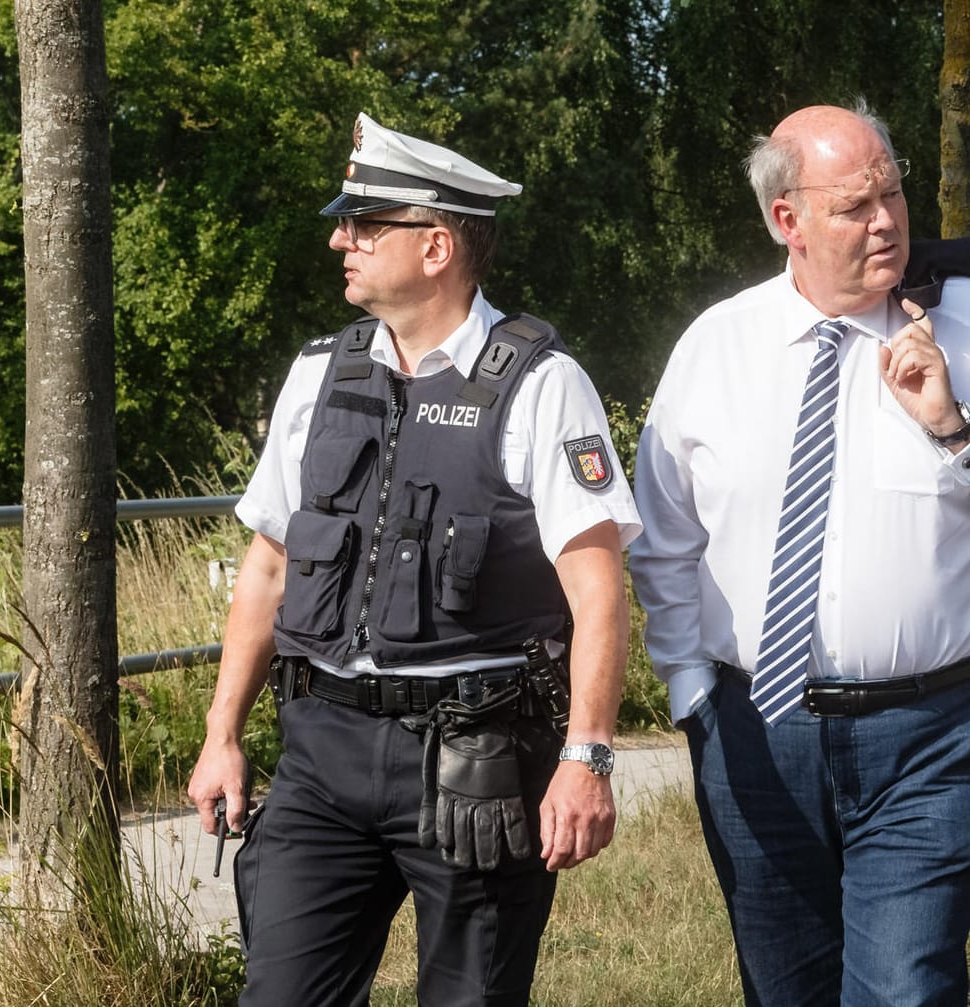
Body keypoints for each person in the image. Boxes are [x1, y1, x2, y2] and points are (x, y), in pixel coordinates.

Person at [628, 102, 970, 1006]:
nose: (885, 220)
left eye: (892, 193)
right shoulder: (716, 349)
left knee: (901, 987)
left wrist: (959, 426)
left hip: (932, 732)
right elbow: (664, 540)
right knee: (785, 990)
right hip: (756, 739)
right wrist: (692, 693)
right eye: (855, 205)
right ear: (787, 221)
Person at [186, 112, 641, 1006]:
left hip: (473, 761)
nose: (338, 240)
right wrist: (221, 733)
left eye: (363, 224)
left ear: (436, 246)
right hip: (321, 754)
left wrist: (586, 757)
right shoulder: (319, 374)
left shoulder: (542, 384)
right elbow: (269, 563)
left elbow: (597, 590)